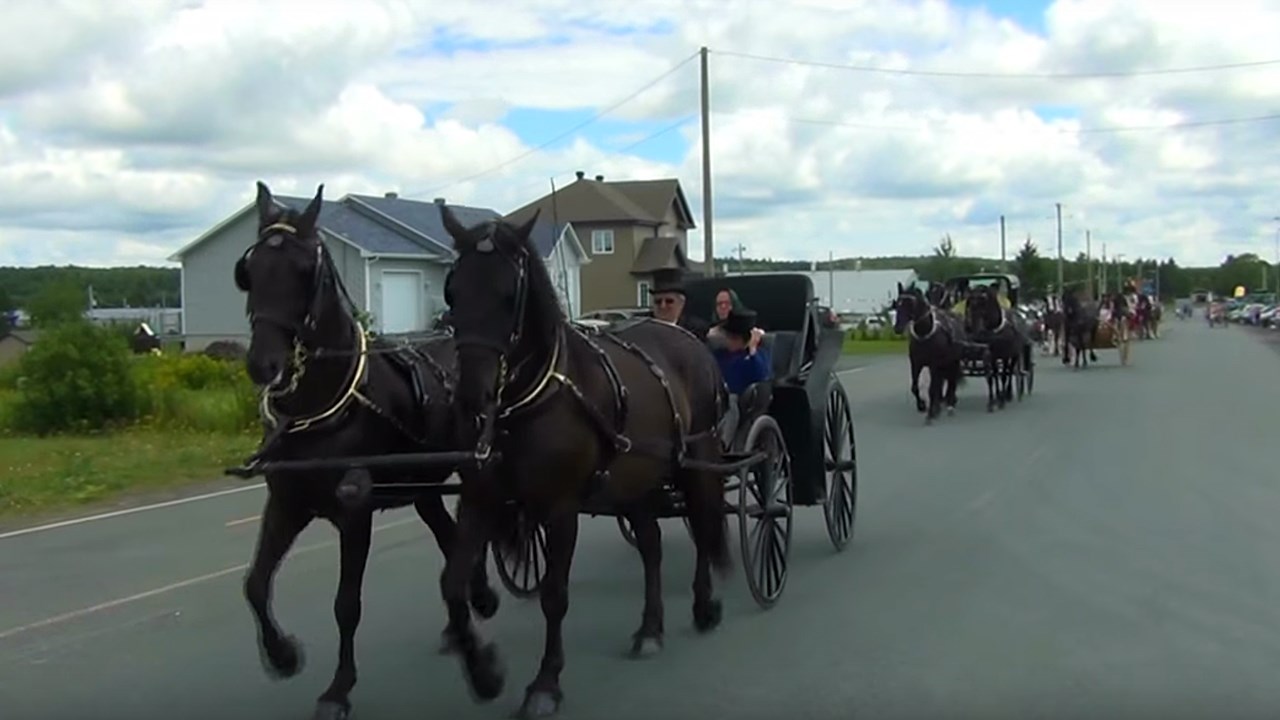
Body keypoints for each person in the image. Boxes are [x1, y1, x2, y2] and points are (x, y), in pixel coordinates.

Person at [712, 307, 771, 445]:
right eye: (728, 336)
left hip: (741, 401)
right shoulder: (719, 355)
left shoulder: (757, 356)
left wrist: (752, 348)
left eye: (734, 338)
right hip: (716, 395)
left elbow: (761, 374)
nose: (729, 341)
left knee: (731, 403)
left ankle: (723, 444)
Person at [649, 268, 710, 340]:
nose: (663, 306)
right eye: (658, 301)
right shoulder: (644, 328)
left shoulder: (696, 330)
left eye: (669, 301)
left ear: (681, 303)